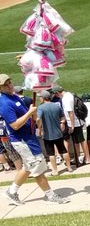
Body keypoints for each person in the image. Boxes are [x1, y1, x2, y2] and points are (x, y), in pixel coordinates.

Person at [0, 73, 67, 205]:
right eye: (5, 84)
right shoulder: (5, 103)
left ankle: (12, 192)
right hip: (22, 140)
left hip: (29, 137)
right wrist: (30, 113)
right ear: (0, 88)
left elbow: (28, 114)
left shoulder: (14, 97)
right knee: (38, 167)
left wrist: (33, 115)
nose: (9, 85)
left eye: (9, 81)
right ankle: (50, 195)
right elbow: (14, 125)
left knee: (29, 167)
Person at [36, 89, 72, 174]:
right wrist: (62, 123)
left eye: (40, 97)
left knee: (51, 153)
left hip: (48, 135)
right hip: (58, 133)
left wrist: (39, 128)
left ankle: (55, 170)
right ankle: (69, 167)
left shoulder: (41, 107)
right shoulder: (56, 106)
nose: (39, 99)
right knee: (64, 151)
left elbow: (38, 119)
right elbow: (63, 118)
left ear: (44, 98)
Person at [60, 84, 90, 166]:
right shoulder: (69, 94)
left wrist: (72, 126)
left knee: (80, 141)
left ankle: (87, 159)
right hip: (77, 122)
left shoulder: (65, 99)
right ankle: (79, 159)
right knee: (78, 141)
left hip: (75, 123)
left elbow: (70, 113)